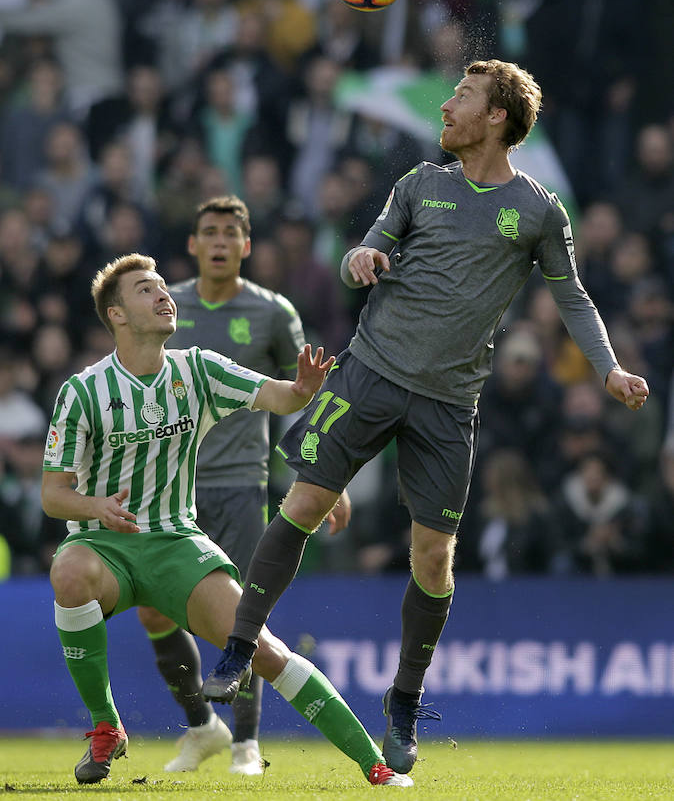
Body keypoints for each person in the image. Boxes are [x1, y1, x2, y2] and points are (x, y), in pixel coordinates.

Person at [205, 59, 650, 775]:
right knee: (306, 501)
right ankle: (237, 649)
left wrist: (610, 369)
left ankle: (404, 701)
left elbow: (573, 297)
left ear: (497, 116)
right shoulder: (419, 184)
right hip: (372, 372)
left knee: (434, 558)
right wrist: (360, 259)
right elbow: (370, 244)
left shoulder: (538, 210)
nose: (446, 106)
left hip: (449, 403)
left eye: (462, 97)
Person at [41, 252, 412, 788]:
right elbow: (54, 496)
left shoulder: (197, 368)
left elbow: (280, 396)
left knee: (262, 650)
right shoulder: (82, 392)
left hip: (176, 543)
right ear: (117, 314)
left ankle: (373, 765)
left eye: (164, 286)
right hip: (104, 544)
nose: (164, 295)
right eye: (146, 290)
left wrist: (304, 390)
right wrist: (94, 506)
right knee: (67, 573)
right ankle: (106, 725)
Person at [135, 195, 310, 775]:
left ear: (246, 246)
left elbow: (302, 398)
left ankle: (246, 744)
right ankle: (201, 726)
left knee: (240, 617)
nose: (218, 242)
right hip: (167, 485)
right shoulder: (166, 305)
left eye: (230, 233)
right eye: (208, 231)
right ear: (192, 244)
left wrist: (321, 474)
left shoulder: (272, 312)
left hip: (238, 484)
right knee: (154, 613)